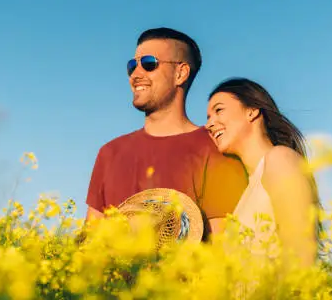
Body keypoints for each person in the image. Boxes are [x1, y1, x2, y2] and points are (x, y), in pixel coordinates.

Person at [85, 28, 248, 239]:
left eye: (149, 63)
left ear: (180, 73)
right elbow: (88, 246)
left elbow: (223, 246)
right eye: (132, 66)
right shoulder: (109, 153)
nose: (136, 74)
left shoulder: (216, 148)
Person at [205, 77, 321, 267]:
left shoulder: (280, 159)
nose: (209, 125)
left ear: (252, 111)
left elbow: (301, 257)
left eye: (218, 110)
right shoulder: (249, 187)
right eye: (208, 117)